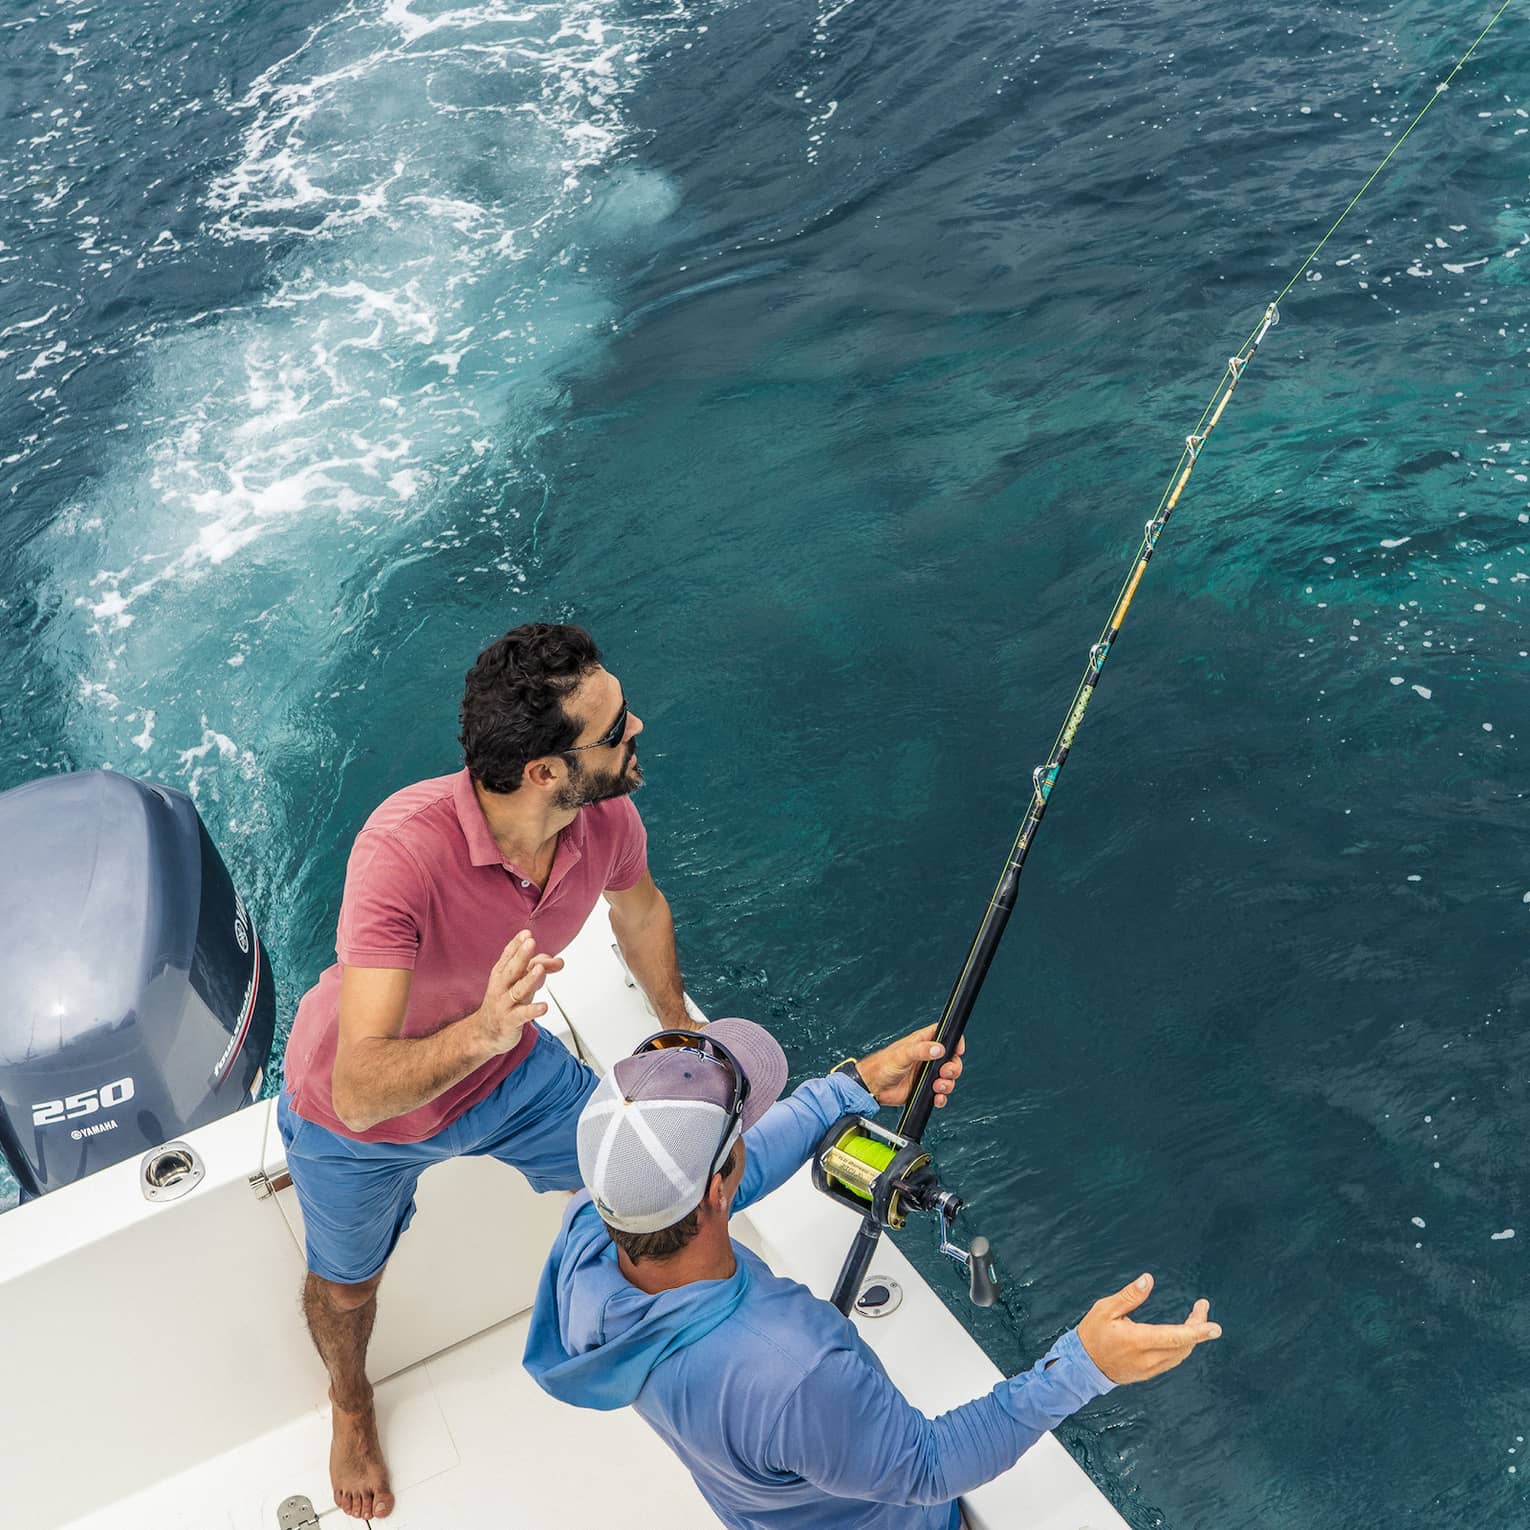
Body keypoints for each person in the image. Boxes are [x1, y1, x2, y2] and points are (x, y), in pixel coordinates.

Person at [279, 622, 696, 1520]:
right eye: (616, 726)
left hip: (508, 1076)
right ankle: (349, 1401)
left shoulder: (604, 816)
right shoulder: (402, 849)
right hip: (355, 1122)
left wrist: (679, 1034)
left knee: (651, 1180)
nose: (637, 729)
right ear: (544, 771)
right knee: (346, 1290)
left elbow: (641, 912)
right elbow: (359, 1089)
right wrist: (482, 1032)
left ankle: (666, 1343)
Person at [524, 1020, 1221, 1530]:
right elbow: (929, 1466)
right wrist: (1085, 1366)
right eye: (740, 1132)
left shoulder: (588, 1237)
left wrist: (852, 1087)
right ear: (714, 1193)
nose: (749, 1139)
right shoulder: (793, 1369)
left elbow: (733, 1175)